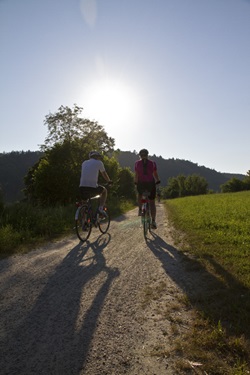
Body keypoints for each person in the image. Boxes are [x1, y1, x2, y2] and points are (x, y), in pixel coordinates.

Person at [134, 149, 160, 229]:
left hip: (141, 184)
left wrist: (135, 182)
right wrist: (158, 180)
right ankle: (153, 221)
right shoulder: (152, 163)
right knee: (152, 202)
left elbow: (136, 174)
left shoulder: (137, 163)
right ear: (147, 155)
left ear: (140, 155)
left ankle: (140, 209)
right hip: (150, 184)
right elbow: (155, 174)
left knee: (140, 195)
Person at [79, 150, 112, 215]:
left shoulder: (84, 163)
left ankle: (83, 222)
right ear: (97, 157)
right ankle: (100, 208)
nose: (99, 158)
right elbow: (104, 174)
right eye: (99, 157)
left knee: (84, 203)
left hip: (82, 187)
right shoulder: (99, 163)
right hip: (92, 187)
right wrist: (109, 181)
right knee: (104, 191)